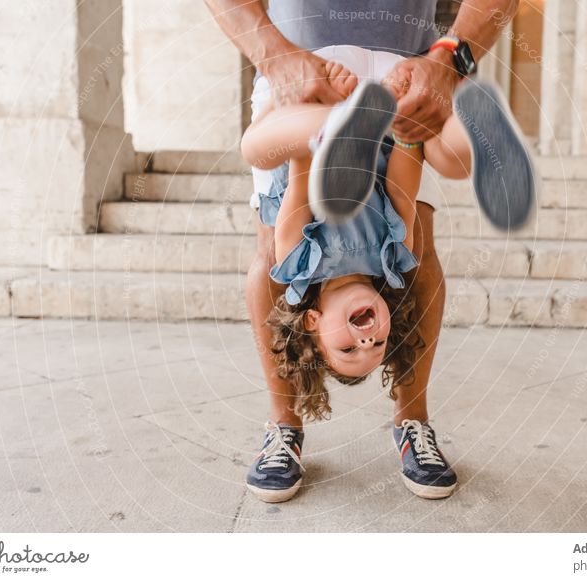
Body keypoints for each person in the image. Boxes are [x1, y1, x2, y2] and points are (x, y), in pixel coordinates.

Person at [206, 0, 533, 502]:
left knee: (262, 155)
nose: (367, 340)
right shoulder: (392, 256)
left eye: (349, 347)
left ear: (312, 321)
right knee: (445, 154)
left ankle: (331, 132)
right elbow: (407, 173)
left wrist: (316, 138)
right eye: (377, 346)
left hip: (319, 88)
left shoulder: (299, 264)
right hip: (382, 71)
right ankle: (479, 135)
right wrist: (411, 128)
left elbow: (294, 178)